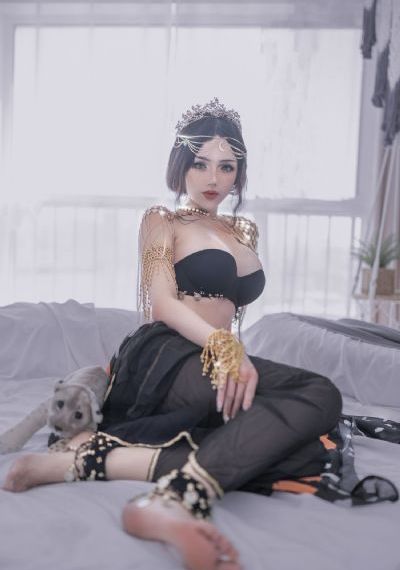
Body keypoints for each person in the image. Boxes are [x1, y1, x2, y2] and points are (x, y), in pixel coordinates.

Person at [3, 98, 343, 570]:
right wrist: (221, 345)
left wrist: (233, 353)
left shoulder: (245, 231)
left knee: (299, 439)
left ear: (239, 173)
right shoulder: (162, 219)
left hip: (214, 358)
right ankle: (174, 499)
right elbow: (162, 302)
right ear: (180, 165)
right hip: (163, 355)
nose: (213, 178)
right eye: (200, 164)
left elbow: (232, 314)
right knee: (317, 392)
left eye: (226, 167)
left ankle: (89, 460)